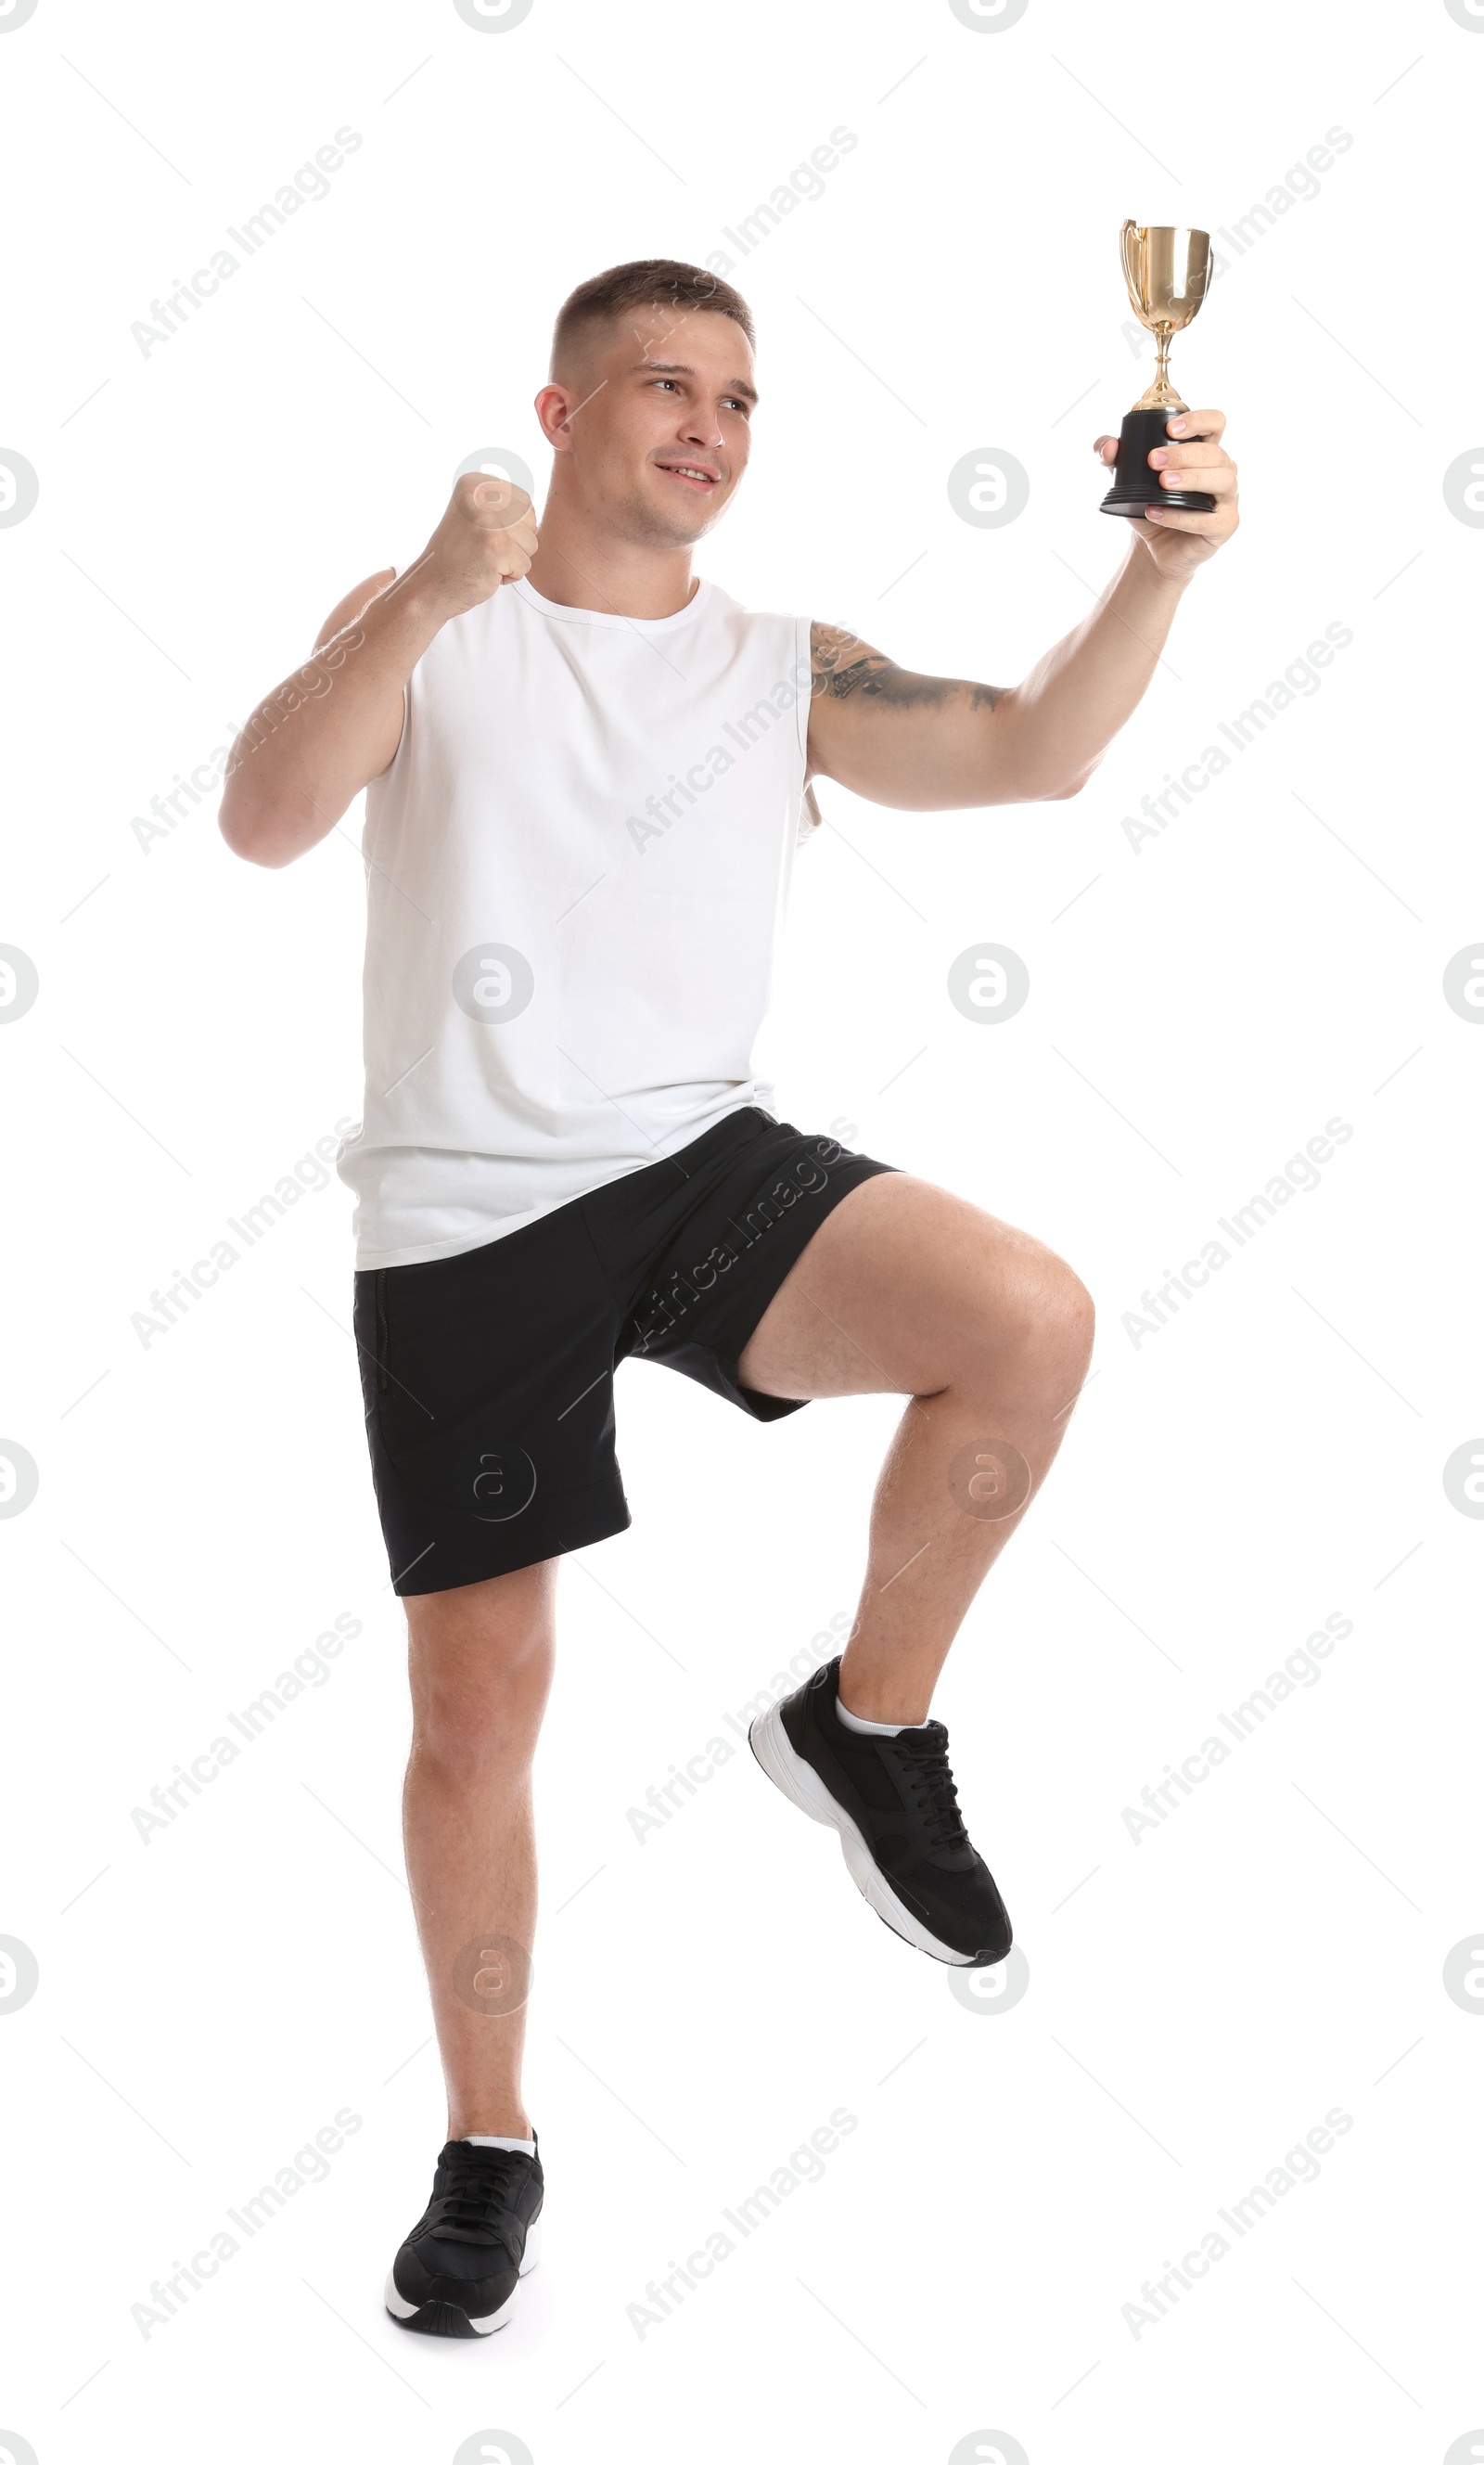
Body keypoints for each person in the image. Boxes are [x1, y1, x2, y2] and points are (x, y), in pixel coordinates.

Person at [219, 258, 1239, 2338]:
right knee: (478, 1703)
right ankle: (488, 2150)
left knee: (1023, 1320)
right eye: (664, 384)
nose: (706, 422)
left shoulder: (783, 668)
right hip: (464, 1216)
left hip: (693, 1163)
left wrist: (1156, 571)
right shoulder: (428, 618)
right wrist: (424, 589)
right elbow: (259, 820)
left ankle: (867, 1726)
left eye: (740, 397)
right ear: (564, 409)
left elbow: (1032, 752)